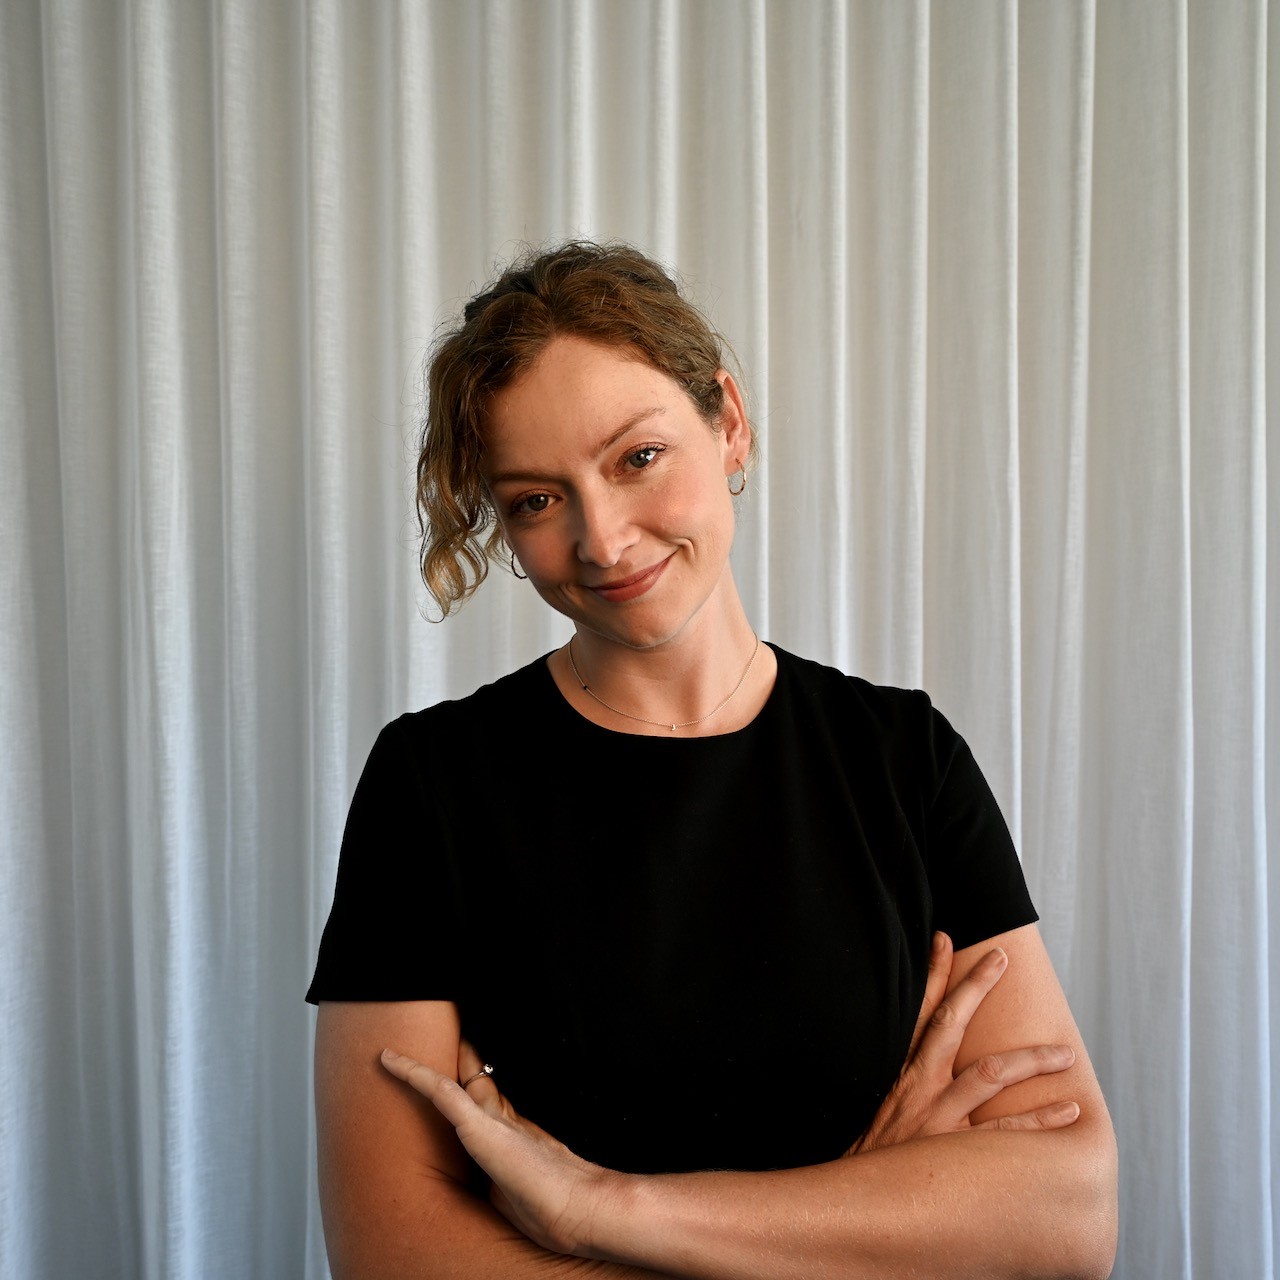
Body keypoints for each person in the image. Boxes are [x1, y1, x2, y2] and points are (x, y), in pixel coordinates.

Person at [307, 241, 1118, 1279]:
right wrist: (867, 1216)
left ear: (726, 421)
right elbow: (391, 1255)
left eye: (635, 457)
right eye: (535, 500)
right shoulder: (431, 786)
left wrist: (598, 1208)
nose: (600, 538)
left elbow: (1065, 1218)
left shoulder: (903, 760)